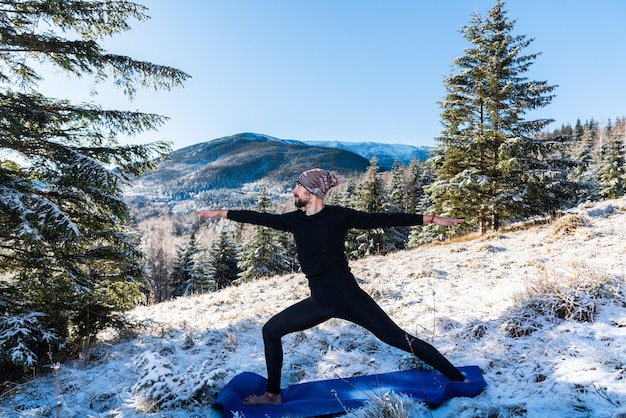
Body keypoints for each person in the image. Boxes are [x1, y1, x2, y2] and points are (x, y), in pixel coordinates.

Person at [197, 168, 468, 406]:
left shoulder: (339, 216)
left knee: (397, 338)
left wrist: (430, 219)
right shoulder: (294, 220)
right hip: (320, 301)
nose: (293, 191)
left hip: (347, 296)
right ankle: (273, 394)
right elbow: (260, 218)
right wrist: (223, 213)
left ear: (311, 192)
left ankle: (458, 378)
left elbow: (381, 219)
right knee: (271, 330)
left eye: (297, 187)